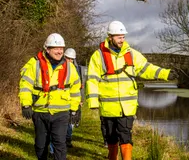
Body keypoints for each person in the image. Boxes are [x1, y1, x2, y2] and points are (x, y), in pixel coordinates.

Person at [86, 21, 177, 160]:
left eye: (123, 37)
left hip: (127, 107)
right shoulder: (98, 56)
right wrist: (92, 101)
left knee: (125, 136)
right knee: (111, 138)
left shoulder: (132, 54)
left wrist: (165, 73)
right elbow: (92, 79)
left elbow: (147, 68)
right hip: (108, 107)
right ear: (110, 37)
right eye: (119, 37)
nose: (122, 40)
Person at [19, 33, 81, 160]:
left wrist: (74, 109)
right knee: (41, 145)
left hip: (61, 112)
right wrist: (26, 104)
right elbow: (25, 85)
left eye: (61, 49)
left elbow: (75, 89)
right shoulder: (35, 65)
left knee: (60, 144)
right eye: (56, 48)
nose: (59, 52)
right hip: (40, 111)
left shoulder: (70, 67)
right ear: (47, 49)